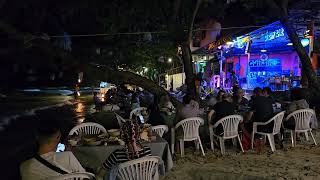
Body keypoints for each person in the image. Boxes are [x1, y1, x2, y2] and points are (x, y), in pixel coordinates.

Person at [20, 121, 85, 180]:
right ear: (58, 137)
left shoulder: (24, 167)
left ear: (36, 136)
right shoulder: (68, 157)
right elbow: (85, 177)